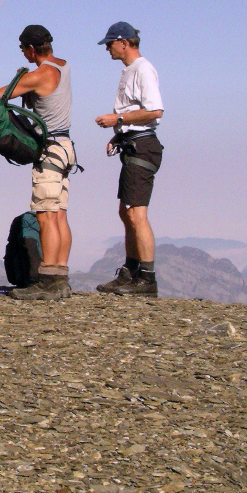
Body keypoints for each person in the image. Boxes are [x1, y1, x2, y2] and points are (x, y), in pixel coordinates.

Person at [0, 24, 77, 300]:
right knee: (60, 214)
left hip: (50, 149)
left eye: (22, 49)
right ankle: (61, 278)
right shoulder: (63, 66)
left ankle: (47, 281)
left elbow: (2, 93)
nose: (23, 54)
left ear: (31, 48)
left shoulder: (41, 74)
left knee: (45, 214)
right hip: (66, 147)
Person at [94, 21, 164, 296]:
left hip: (142, 146)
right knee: (127, 212)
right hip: (133, 144)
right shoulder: (130, 70)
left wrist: (118, 120)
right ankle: (131, 271)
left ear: (123, 43)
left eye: (110, 43)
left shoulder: (143, 69)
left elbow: (155, 111)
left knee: (136, 213)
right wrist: (119, 135)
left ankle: (146, 278)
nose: (107, 49)